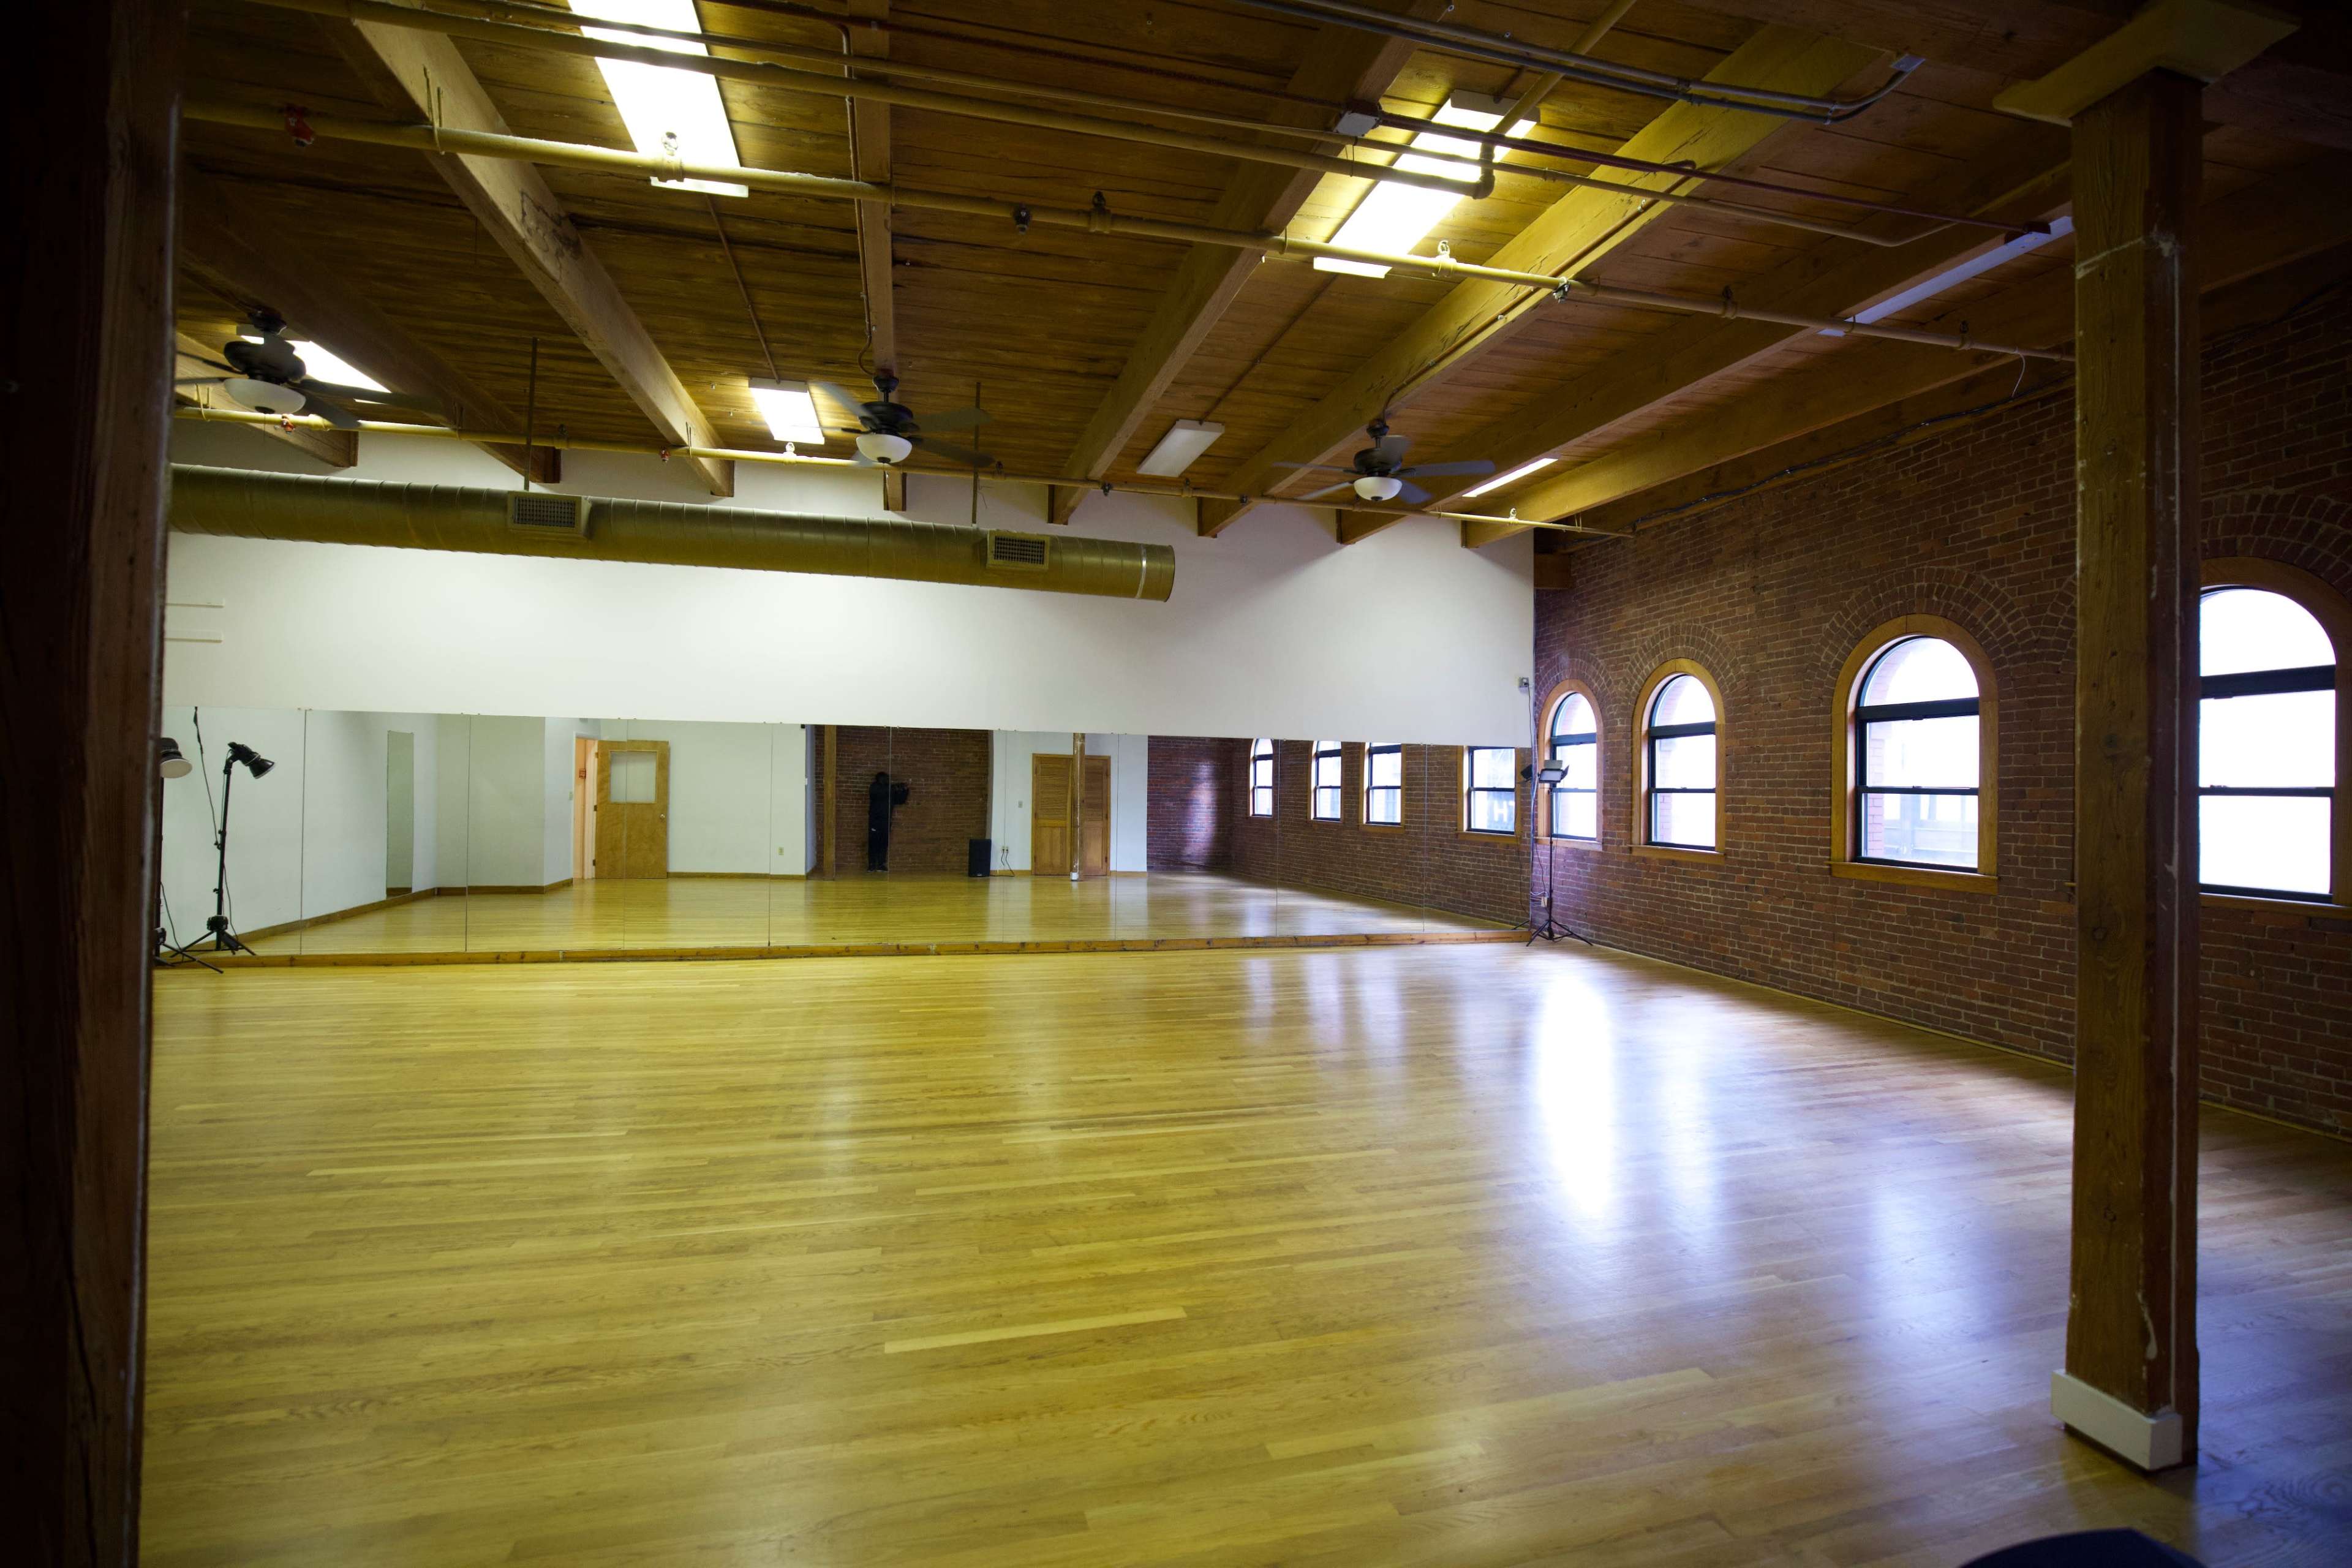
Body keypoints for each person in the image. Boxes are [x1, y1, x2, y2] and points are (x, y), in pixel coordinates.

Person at [866, 770, 911, 871]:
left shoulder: (890, 791)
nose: (887, 780)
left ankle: (881, 864)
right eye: (885, 778)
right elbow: (880, 793)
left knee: (884, 843)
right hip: (875, 821)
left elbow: (900, 801)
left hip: (886, 821)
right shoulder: (875, 787)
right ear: (879, 779)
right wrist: (894, 787)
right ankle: (872, 864)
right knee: (873, 843)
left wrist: (905, 790)